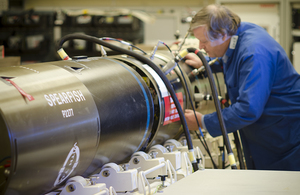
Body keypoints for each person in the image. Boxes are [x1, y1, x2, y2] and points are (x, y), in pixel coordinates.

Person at [184, 4, 300, 171]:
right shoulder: (238, 34)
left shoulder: (254, 52)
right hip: (268, 136)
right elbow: (235, 60)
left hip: (285, 141)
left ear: (223, 34)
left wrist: (203, 122)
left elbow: (248, 109)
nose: (200, 47)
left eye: (204, 41)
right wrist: (208, 64)